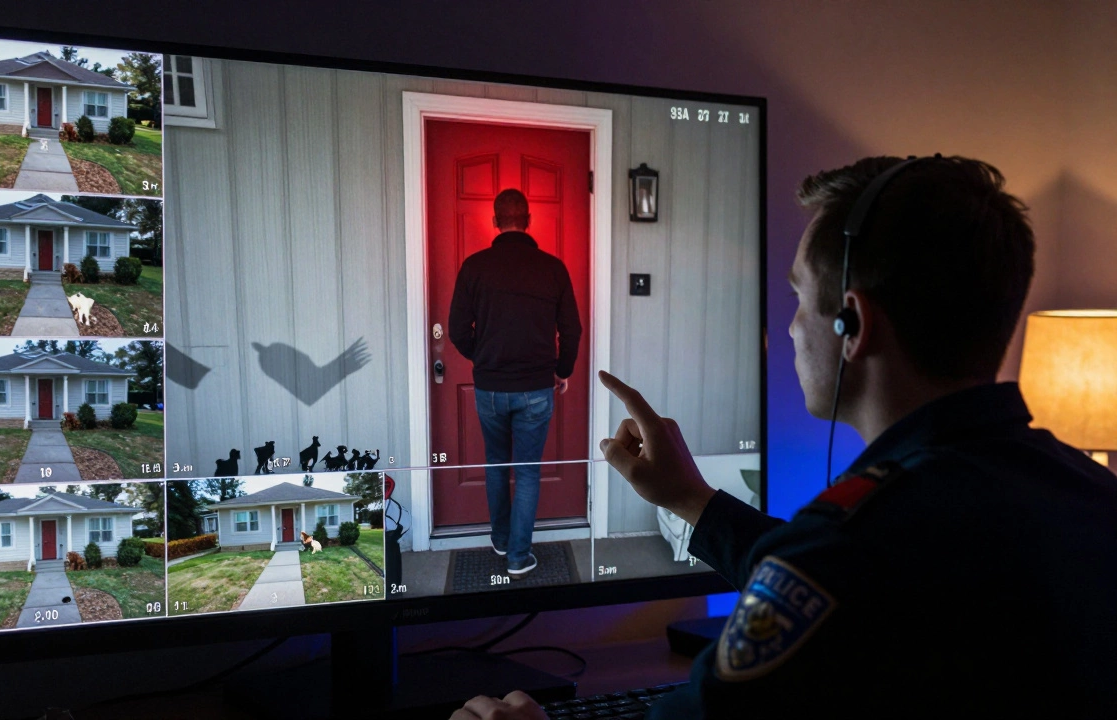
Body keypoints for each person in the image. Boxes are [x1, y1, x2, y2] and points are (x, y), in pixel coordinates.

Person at [448, 156, 1117, 719]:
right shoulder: (1089, 494)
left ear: (852, 324)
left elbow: (830, 577)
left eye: (800, 298)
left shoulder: (852, 544)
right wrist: (694, 500)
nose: (788, 329)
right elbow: (839, 584)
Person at [448, 188, 583, 578]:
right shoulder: (552, 268)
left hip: (490, 389)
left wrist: (486, 360)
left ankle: (502, 539)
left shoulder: (474, 267)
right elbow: (571, 329)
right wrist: (563, 369)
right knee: (525, 471)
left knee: (496, 464)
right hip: (536, 389)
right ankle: (518, 558)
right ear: (528, 220)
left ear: (495, 221)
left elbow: (458, 331)